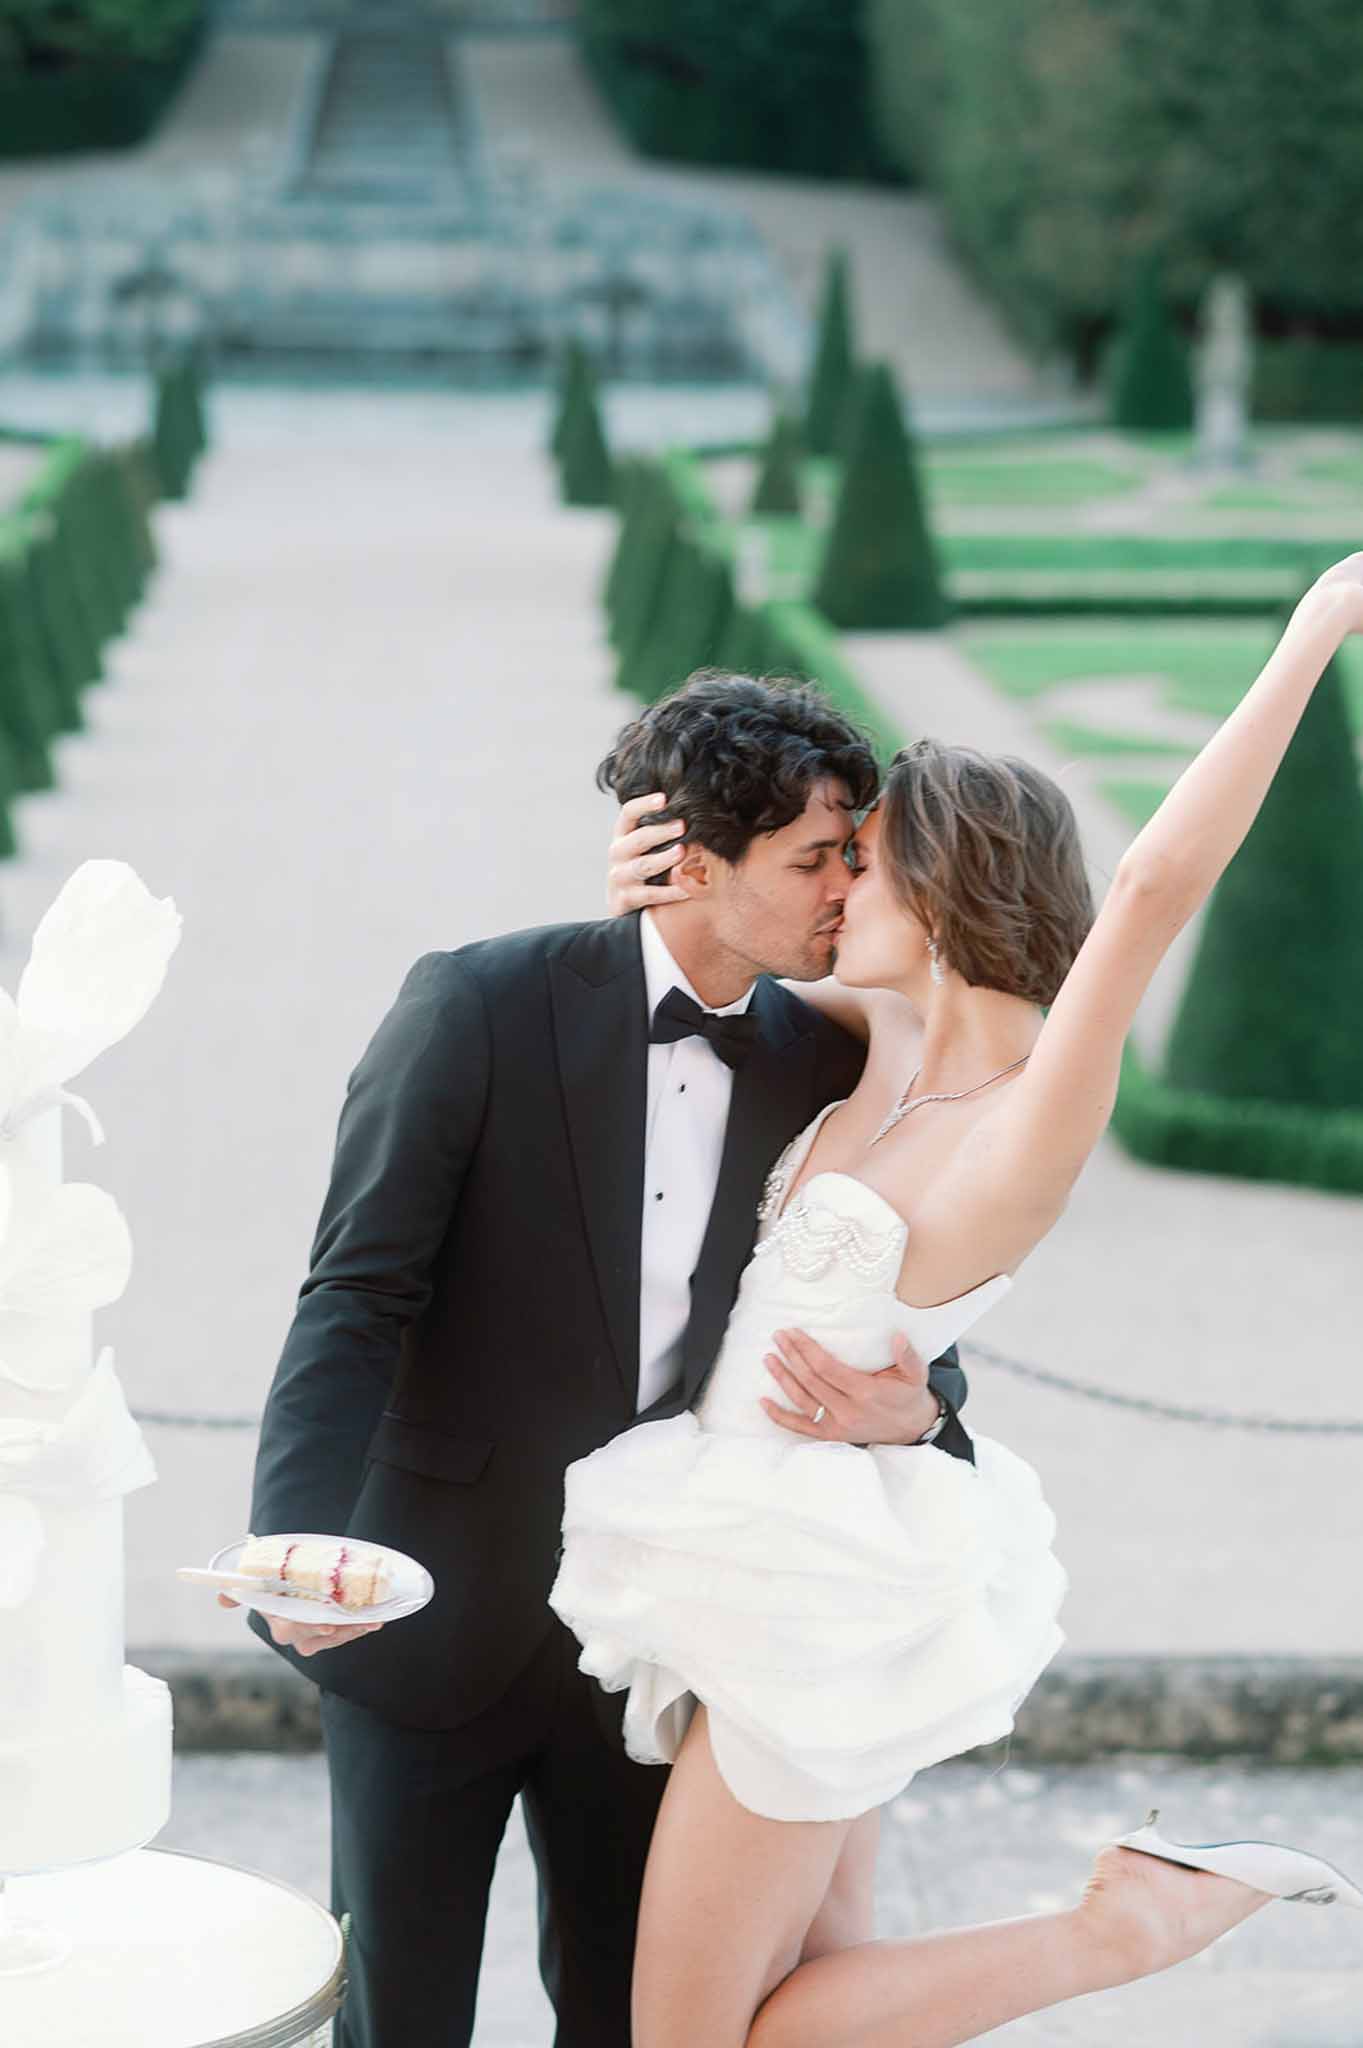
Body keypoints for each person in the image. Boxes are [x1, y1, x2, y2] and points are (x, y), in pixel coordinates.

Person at [549, 552, 1363, 2048]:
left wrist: (1322, 621)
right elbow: (710, 955)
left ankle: (1122, 1927)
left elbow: (1154, 882)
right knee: (816, 2008)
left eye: (863, 856)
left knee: (691, 2038)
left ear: (943, 880)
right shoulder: (878, 1032)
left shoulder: (1029, 1104)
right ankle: (1127, 1917)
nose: (837, 882)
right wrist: (646, 886)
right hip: (771, 1549)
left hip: (805, 1594)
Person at [226, 675, 980, 2048]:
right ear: (690, 858)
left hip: (650, 1641)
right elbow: (355, 1294)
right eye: (815, 859)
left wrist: (923, 1407)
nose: (841, 889)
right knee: (396, 2015)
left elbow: (889, 1279)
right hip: (427, 1623)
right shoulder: (477, 1003)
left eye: (850, 859)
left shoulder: (822, 1059)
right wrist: (292, 1538)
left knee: (633, 2019)